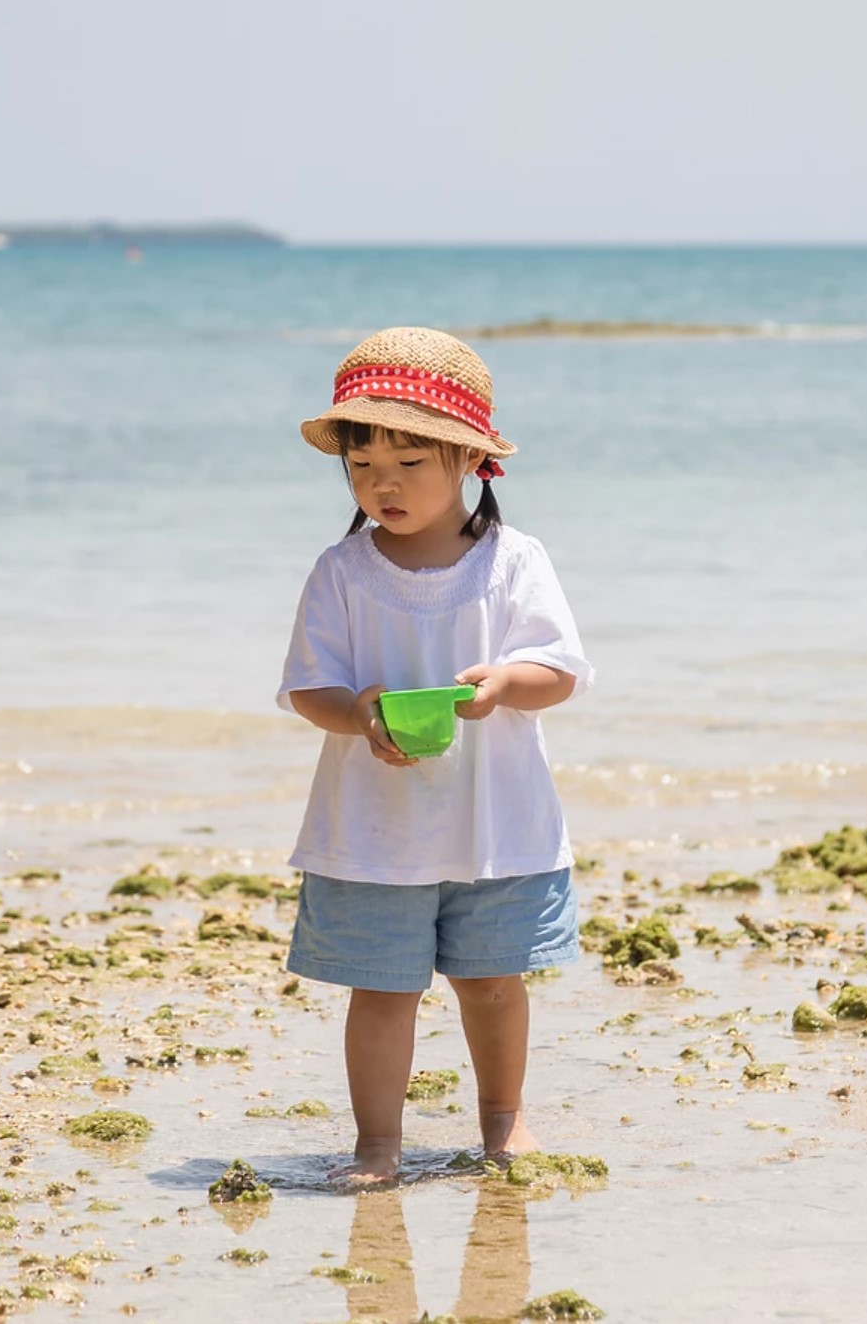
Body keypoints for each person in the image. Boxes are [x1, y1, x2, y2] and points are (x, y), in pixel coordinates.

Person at [277, 326, 592, 1184]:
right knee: (380, 992)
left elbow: (560, 671)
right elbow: (309, 687)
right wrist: (360, 713)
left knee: (494, 984)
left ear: (468, 459)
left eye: (410, 461)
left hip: (497, 826)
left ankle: (504, 1120)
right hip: (373, 833)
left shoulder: (513, 562)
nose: (383, 481)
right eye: (362, 463)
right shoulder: (343, 572)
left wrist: (502, 686)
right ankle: (378, 1144)